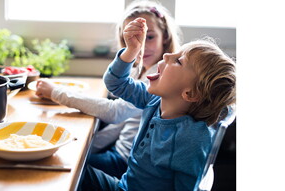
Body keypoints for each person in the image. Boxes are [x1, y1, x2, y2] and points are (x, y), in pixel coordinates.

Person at [78, 17, 236, 191]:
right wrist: (132, 50)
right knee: (74, 170)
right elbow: (116, 83)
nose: (167, 55)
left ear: (190, 93)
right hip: (124, 186)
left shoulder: (191, 141)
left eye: (178, 61)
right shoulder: (154, 100)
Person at [35, 0, 181, 178]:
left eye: (149, 37)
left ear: (165, 36)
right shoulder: (138, 70)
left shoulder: (160, 80)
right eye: (134, 38)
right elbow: (119, 125)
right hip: (118, 150)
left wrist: (56, 93)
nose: (142, 45)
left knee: (61, 167)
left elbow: (115, 113)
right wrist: (86, 147)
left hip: (126, 162)